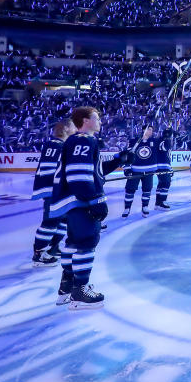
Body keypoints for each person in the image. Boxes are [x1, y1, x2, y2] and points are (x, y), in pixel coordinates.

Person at [50, 106, 130, 310]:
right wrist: (95, 200)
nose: (100, 121)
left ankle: (66, 288)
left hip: (71, 201)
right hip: (80, 200)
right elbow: (78, 174)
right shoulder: (84, 140)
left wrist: (118, 160)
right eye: (96, 118)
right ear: (85, 121)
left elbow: (95, 170)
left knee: (74, 243)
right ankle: (80, 291)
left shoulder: (76, 141)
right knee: (87, 241)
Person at [30, 119, 76, 269]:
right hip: (53, 190)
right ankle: (38, 253)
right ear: (65, 129)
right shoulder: (60, 146)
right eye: (73, 126)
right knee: (51, 221)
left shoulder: (53, 144)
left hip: (54, 189)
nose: (76, 128)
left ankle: (53, 247)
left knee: (63, 219)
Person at [122, 126, 158, 218]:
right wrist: (127, 168)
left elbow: (165, 148)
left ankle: (145, 207)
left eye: (151, 130)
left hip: (149, 171)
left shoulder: (154, 141)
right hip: (135, 170)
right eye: (149, 129)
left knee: (147, 189)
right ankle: (127, 208)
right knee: (130, 189)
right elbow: (127, 155)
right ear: (143, 130)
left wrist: (168, 137)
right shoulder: (134, 141)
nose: (151, 131)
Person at [155, 128, 174, 210]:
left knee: (162, 184)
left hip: (165, 166)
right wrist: (167, 138)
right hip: (161, 166)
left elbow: (167, 157)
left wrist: (170, 168)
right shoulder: (162, 141)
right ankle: (162, 202)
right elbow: (164, 148)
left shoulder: (164, 141)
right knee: (166, 182)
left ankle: (158, 203)